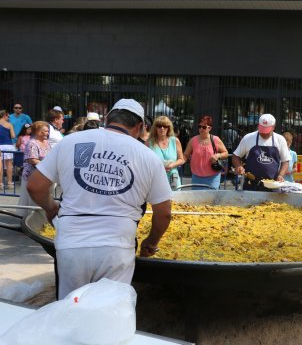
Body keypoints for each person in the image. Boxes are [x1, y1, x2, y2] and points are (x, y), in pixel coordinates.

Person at [27, 98, 172, 299]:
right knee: (109, 314)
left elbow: (35, 186)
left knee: (70, 309)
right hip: (117, 247)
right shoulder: (149, 157)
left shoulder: (71, 141)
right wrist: (151, 242)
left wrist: (51, 207)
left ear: (107, 119)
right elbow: (164, 214)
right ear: (140, 126)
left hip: (71, 244)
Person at [232, 114, 290, 191]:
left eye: (267, 131)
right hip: (251, 184)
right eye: (262, 130)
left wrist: (281, 175)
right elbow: (236, 156)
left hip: (272, 185)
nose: (264, 133)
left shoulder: (280, 139)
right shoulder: (248, 138)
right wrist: (238, 166)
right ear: (258, 126)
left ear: (273, 127)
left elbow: (285, 161)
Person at [184, 115, 228, 190]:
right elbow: (185, 155)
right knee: (197, 200)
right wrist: (176, 163)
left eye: (204, 127)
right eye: (199, 126)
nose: (201, 129)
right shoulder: (193, 140)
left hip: (212, 178)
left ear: (209, 128)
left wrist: (218, 155)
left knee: (211, 200)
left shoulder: (215, 139)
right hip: (196, 177)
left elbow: (226, 153)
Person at [17, 121, 51, 213]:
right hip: (33, 176)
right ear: (37, 131)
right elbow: (32, 160)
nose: (47, 133)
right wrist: (47, 166)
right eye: (44, 131)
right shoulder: (32, 143)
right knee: (33, 200)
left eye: (47, 131)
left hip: (44, 175)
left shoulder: (47, 142)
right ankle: (31, 221)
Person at [147, 116, 186, 191]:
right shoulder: (149, 143)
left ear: (169, 128)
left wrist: (172, 165)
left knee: (175, 201)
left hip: (173, 177)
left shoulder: (175, 141)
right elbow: (144, 162)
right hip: (156, 178)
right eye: (159, 126)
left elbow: (182, 159)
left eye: (165, 126)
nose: (162, 128)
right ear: (155, 128)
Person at [0, 110, 16, 187]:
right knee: (9, 164)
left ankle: (0, 183)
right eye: (8, 116)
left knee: (0, 165)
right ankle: (9, 183)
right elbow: (13, 136)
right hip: (8, 145)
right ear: (4, 115)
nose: (9, 118)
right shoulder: (9, 125)